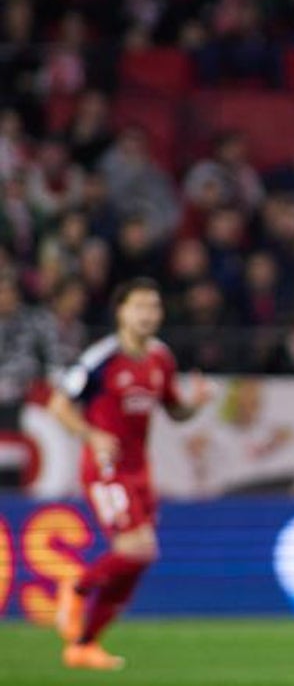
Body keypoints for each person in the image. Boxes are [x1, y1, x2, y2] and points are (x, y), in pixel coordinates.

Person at [49, 277, 214, 670]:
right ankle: (76, 587)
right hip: (106, 468)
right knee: (139, 550)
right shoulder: (100, 359)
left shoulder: (160, 358)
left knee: (137, 560)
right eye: (139, 307)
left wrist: (196, 404)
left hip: (140, 470)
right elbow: (59, 405)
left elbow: (174, 412)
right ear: (121, 312)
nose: (147, 315)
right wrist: (92, 435)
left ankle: (85, 645)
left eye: (154, 307)